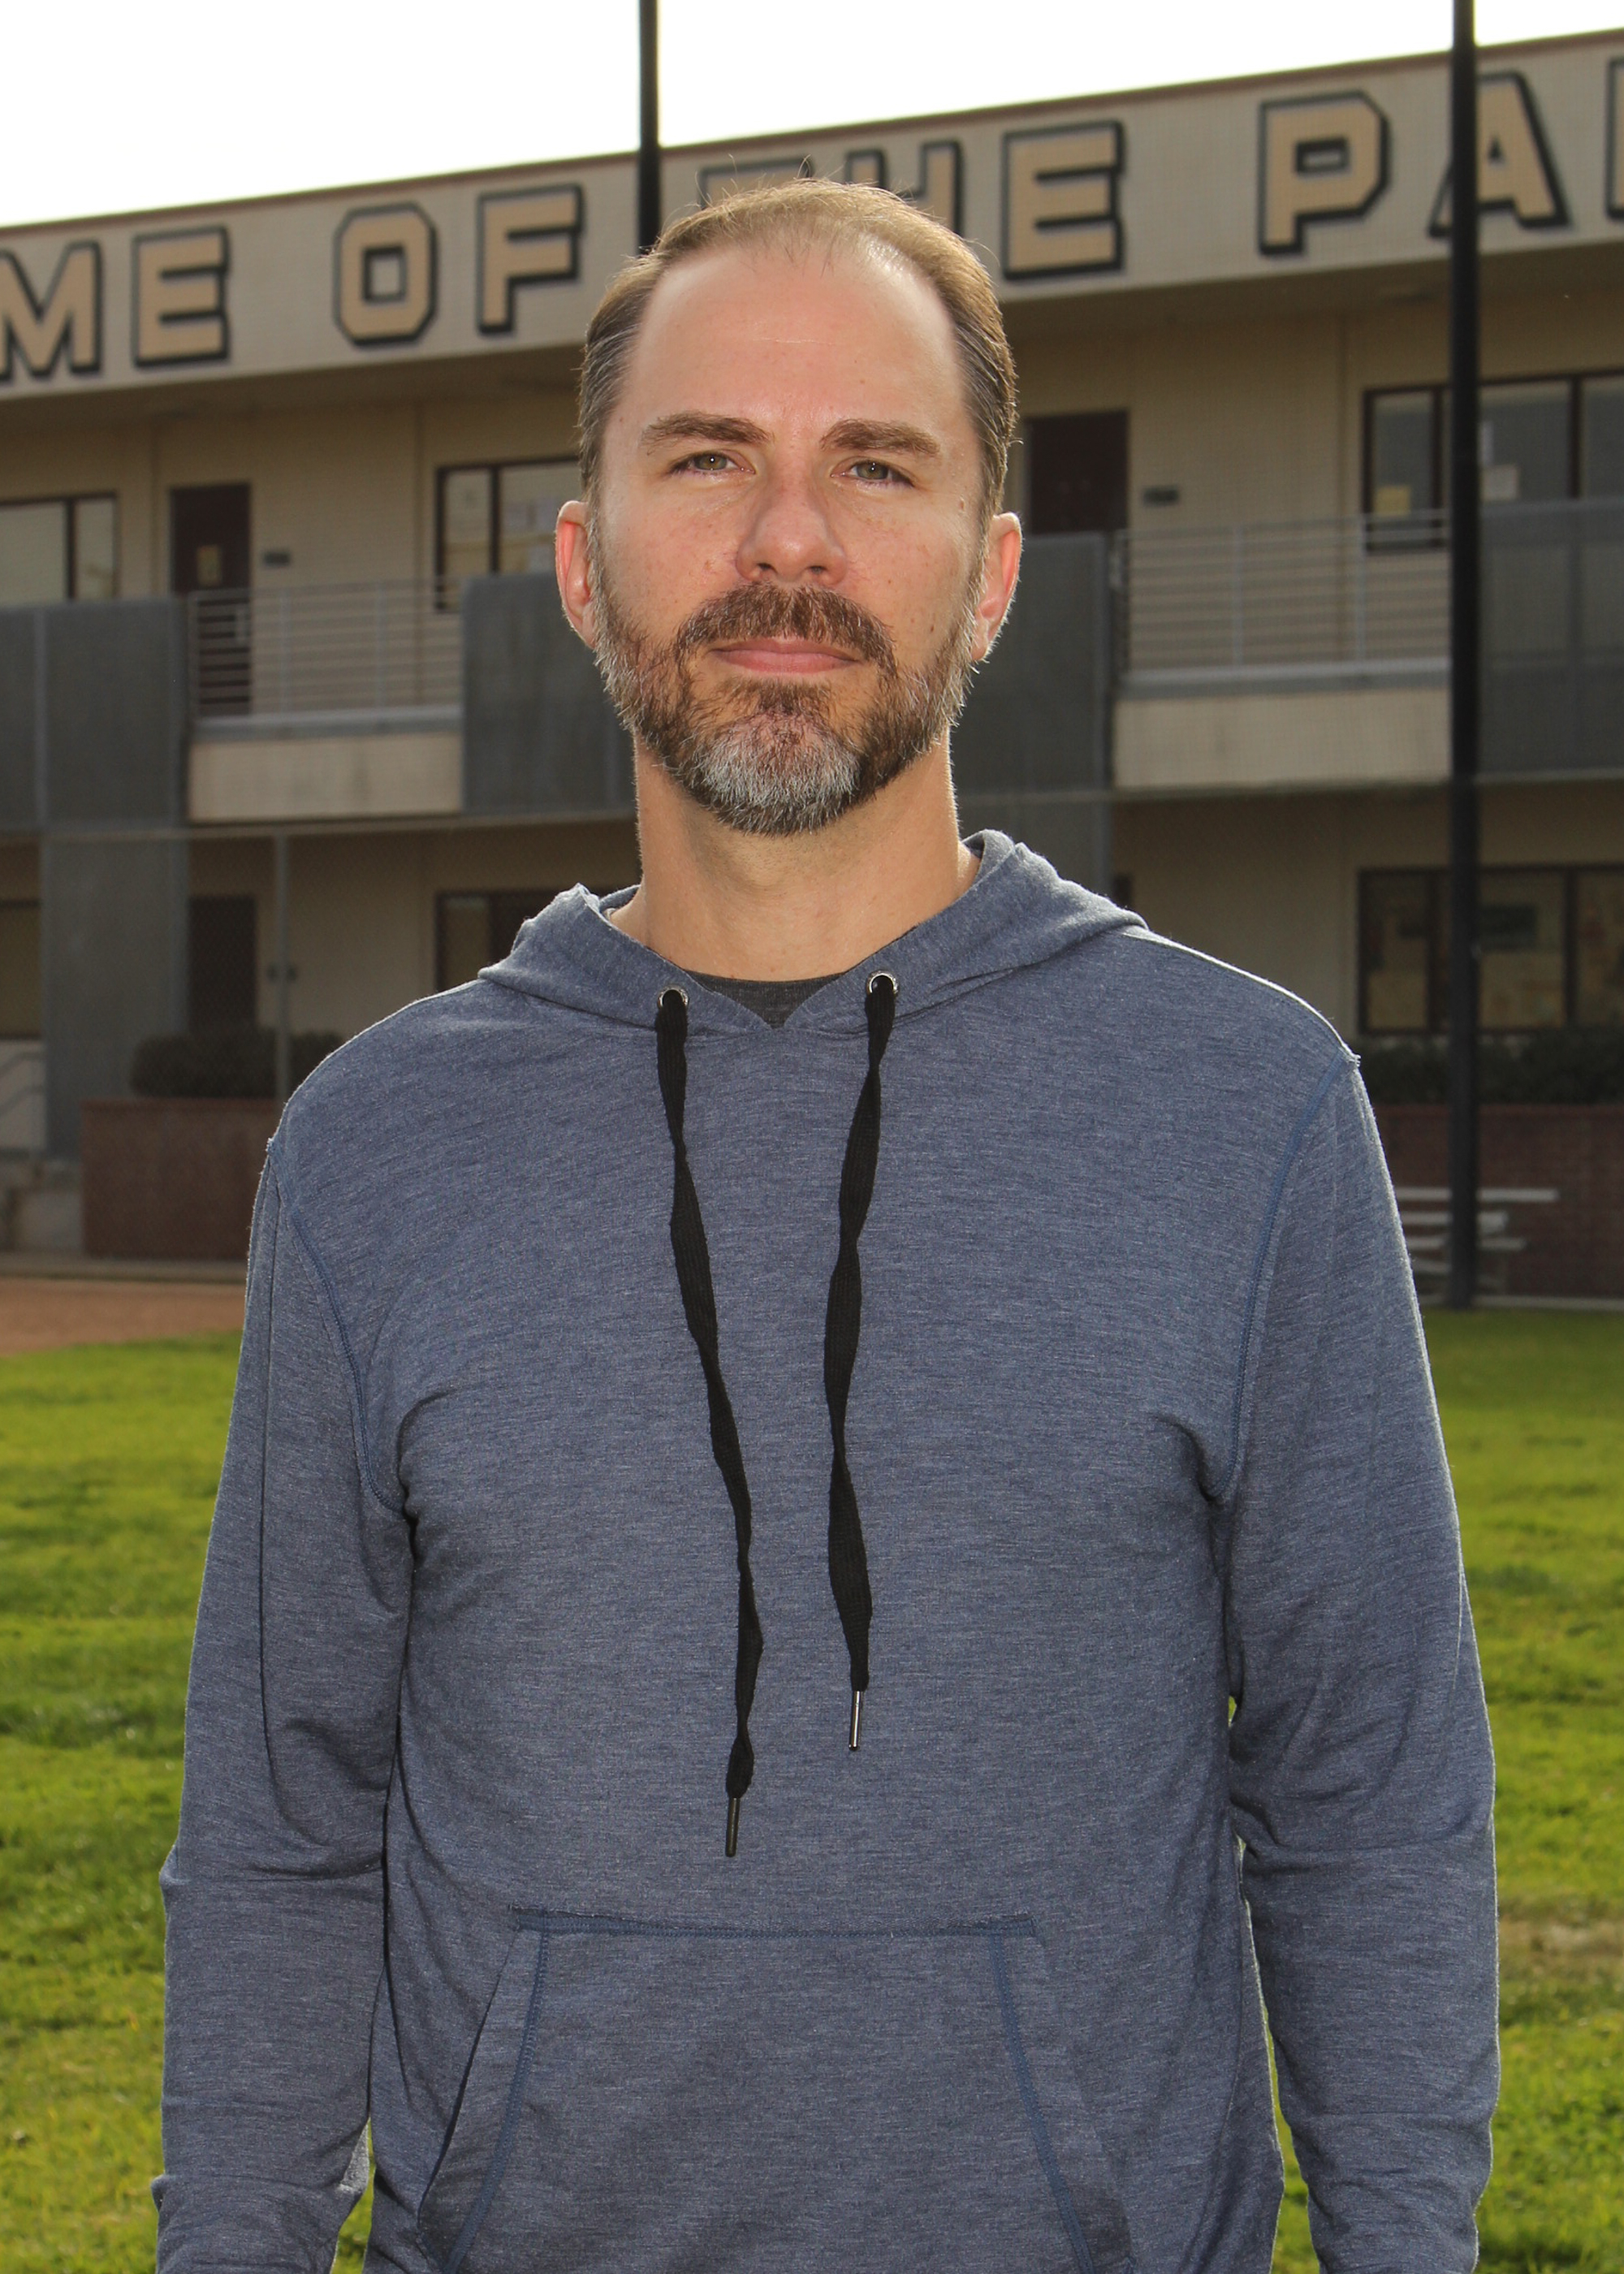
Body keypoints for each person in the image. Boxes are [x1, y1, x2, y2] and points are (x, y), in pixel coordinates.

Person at [157, 179, 1497, 2274]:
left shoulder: (1245, 1111)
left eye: (877, 465)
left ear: (994, 572)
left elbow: (1372, 1788)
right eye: (711, 459)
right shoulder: (378, 1148)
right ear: (584, 563)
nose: (789, 542)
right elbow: (283, 1821)